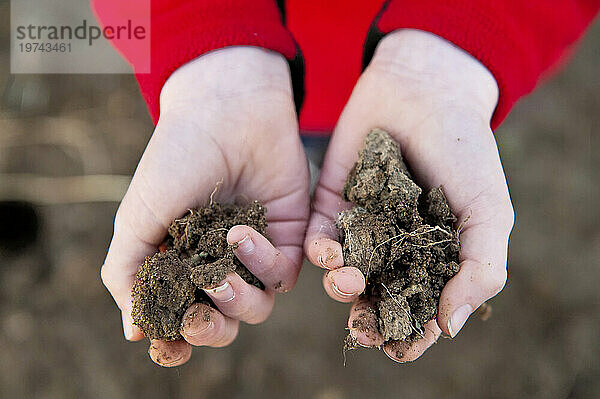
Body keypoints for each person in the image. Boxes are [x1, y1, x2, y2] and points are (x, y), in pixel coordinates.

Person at [93, 0, 600, 366]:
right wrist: (205, 53)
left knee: (334, 151)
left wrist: (459, 47)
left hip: (453, 62)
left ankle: (316, 158)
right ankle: (309, 156)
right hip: (246, 62)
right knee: (308, 144)